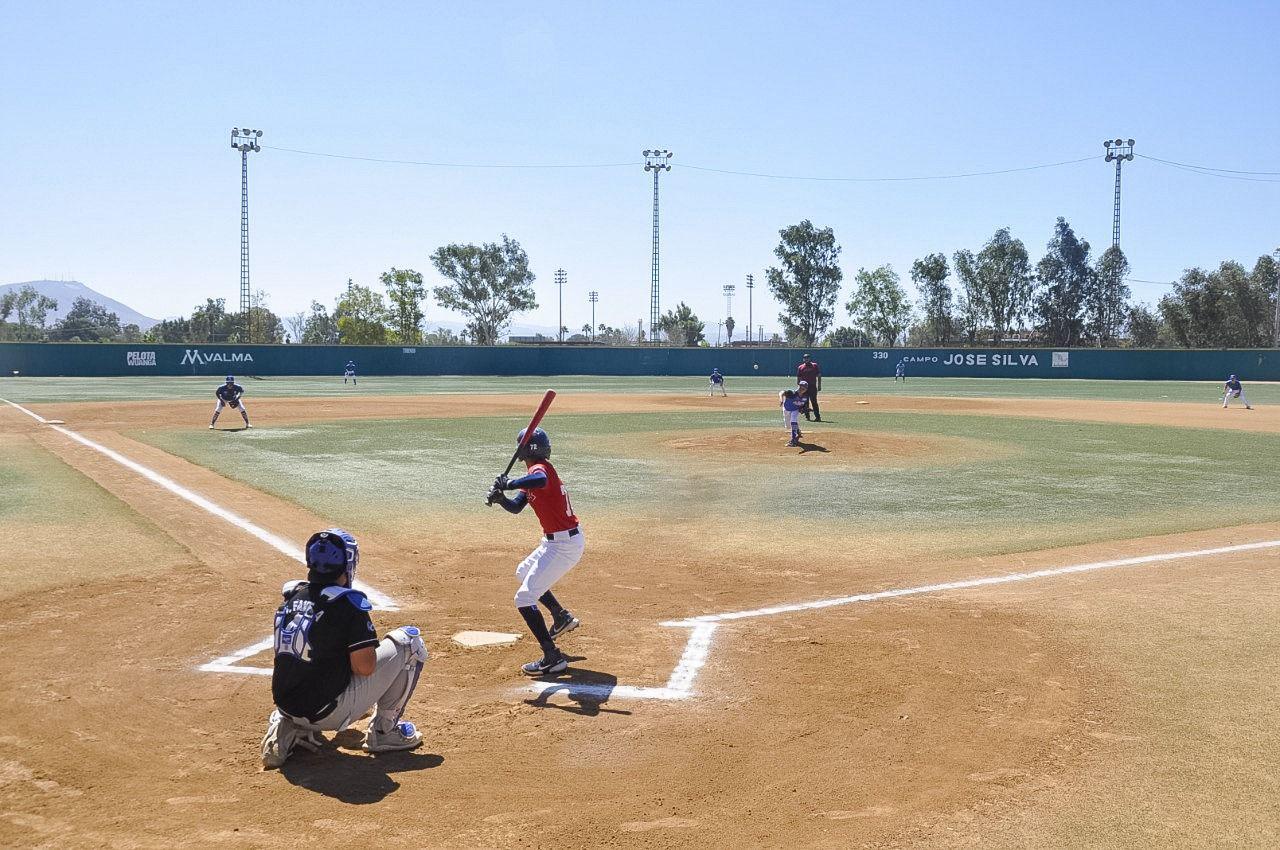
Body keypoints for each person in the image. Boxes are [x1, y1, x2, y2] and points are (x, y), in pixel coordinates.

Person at [261, 528, 427, 769]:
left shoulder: (293, 596)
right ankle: (384, 732)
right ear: (347, 563)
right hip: (327, 712)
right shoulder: (348, 604)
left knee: (312, 665)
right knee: (410, 642)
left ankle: (287, 725)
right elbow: (365, 667)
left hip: (287, 705)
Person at [486, 427, 583, 676]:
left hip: (564, 545)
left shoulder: (540, 470)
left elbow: (540, 481)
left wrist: (509, 482)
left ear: (523, 450)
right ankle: (560, 616)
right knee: (523, 571)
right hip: (553, 543)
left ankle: (552, 656)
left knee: (524, 598)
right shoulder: (532, 474)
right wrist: (501, 499)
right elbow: (517, 506)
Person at [797, 354, 822, 421]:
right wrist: (799, 387)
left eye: (807, 358)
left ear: (810, 358)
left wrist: (819, 385)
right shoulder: (800, 367)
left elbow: (819, 375)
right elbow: (799, 377)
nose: (806, 359)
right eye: (805, 358)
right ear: (803, 359)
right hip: (804, 388)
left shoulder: (814, 365)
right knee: (805, 402)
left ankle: (817, 417)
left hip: (812, 387)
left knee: (814, 402)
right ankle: (807, 417)